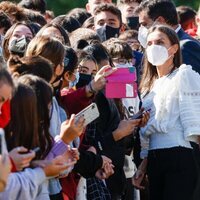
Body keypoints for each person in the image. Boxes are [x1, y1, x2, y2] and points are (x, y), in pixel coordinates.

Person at [133, 25, 200, 200]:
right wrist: (143, 165)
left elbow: (196, 122)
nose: (154, 46)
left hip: (179, 155)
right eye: (150, 43)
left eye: (160, 42)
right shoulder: (149, 87)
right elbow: (148, 133)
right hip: (155, 159)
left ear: (174, 48)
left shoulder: (184, 75)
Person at [135, 0, 200, 74]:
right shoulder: (153, 45)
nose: (141, 29)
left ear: (160, 21)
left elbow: (193, 82)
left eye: (144, 24)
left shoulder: (186, 46)